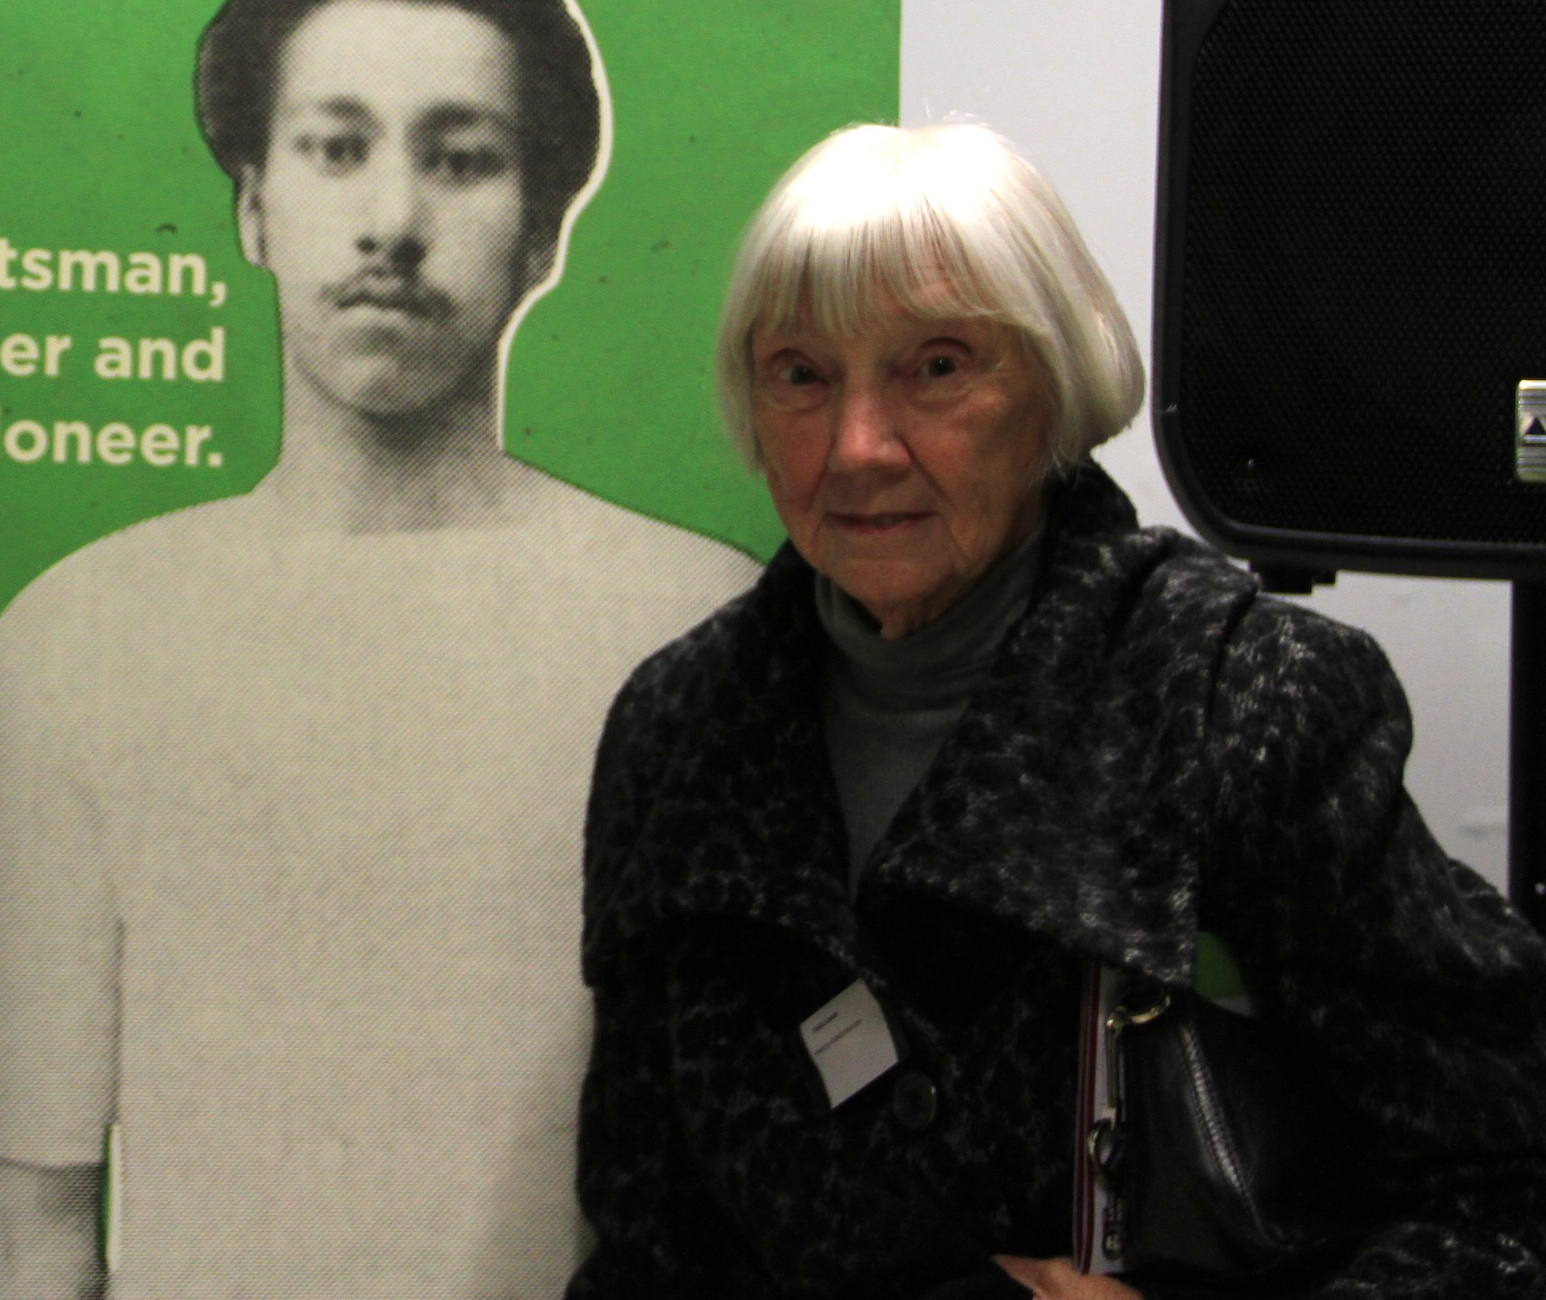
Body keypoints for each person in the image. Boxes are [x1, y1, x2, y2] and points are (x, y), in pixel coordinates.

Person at [573, 121, 1546, 1300]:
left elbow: (1503, 1189)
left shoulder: (1238, 698)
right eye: (801, 374)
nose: (858, 447)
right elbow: (644, 1239)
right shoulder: (678, 729)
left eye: (937, 366)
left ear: (1053, 389)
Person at [0, 0, 757, 1300]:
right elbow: (34, 1202)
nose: (393, 222)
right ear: (256, 201)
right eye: (338, 149)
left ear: (544, 232)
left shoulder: (693, 632)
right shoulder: (84, 637)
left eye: (461, 161)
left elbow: (751, 1171)